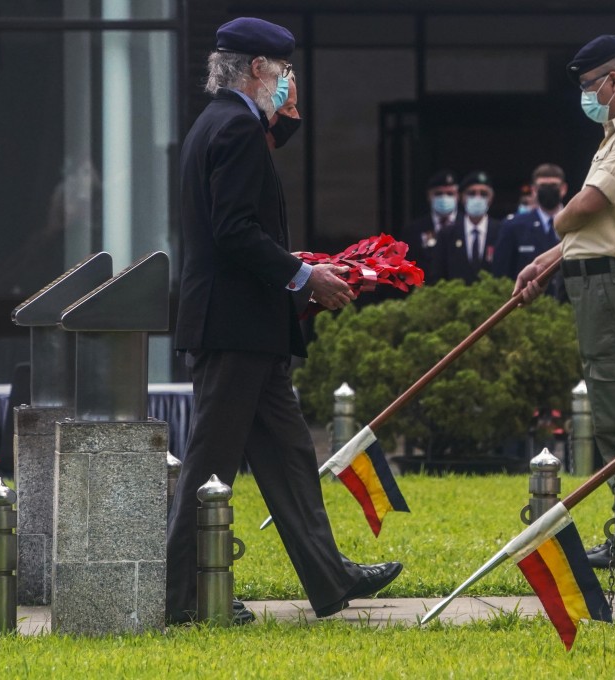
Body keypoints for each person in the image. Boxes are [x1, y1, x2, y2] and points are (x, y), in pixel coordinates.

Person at [169, 16, 402, 625]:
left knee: (291, 457)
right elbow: (236, 231)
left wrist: (288, 118)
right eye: (282, 72)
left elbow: (239, 217)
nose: (287, 81)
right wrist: (304, 277)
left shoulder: (218, 123)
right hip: (235, 326)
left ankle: (330, 578)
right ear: (256, 70)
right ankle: (180, 595)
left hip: (248, 327)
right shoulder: (237, 131)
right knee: (210, 463)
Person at [514, 35, 615, 569]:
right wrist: (551, 257)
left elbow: (587, 207)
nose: (584, 96)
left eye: (588, 86)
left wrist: (558, 222)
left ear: (614, 81)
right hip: (602, 283)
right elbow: (598, 227)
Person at [493, 163, 568, 299]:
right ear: (534, 190)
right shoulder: (513, 226)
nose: (548, 190)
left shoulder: (576, 223)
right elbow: (501, 276)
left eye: (553, 186)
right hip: (529, 308)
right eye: (543, 186)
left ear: (563, 189)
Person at [429, 170, 501, 284]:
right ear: (462, 197)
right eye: (472, 193)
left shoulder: (501, 231)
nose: (477, 198)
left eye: (483, 194)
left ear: (491, 198)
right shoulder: (447, 234)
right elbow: (437, 275)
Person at [404, 170, 459, 277]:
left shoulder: (467, 226)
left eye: (450, 194)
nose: (444, 198)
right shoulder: (414, 230)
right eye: (438, 194)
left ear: (457, 196)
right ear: (429, 196)